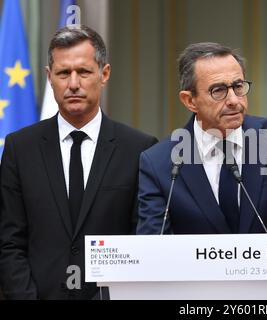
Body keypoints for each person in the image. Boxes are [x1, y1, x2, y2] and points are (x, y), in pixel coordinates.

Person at [0, 25, 158, 299]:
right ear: (50, 78)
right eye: (63, 73)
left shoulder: (140, 149)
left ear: (104, 74)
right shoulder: (19, 148)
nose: (73, 83)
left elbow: (143, 242)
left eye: (84, 72)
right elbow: (9, 241)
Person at [137, 42, 267, 235]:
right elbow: (154, 244)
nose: (234, 100)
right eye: (218, 90)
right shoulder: (158, 162)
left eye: (238, 86)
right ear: (190, 100)